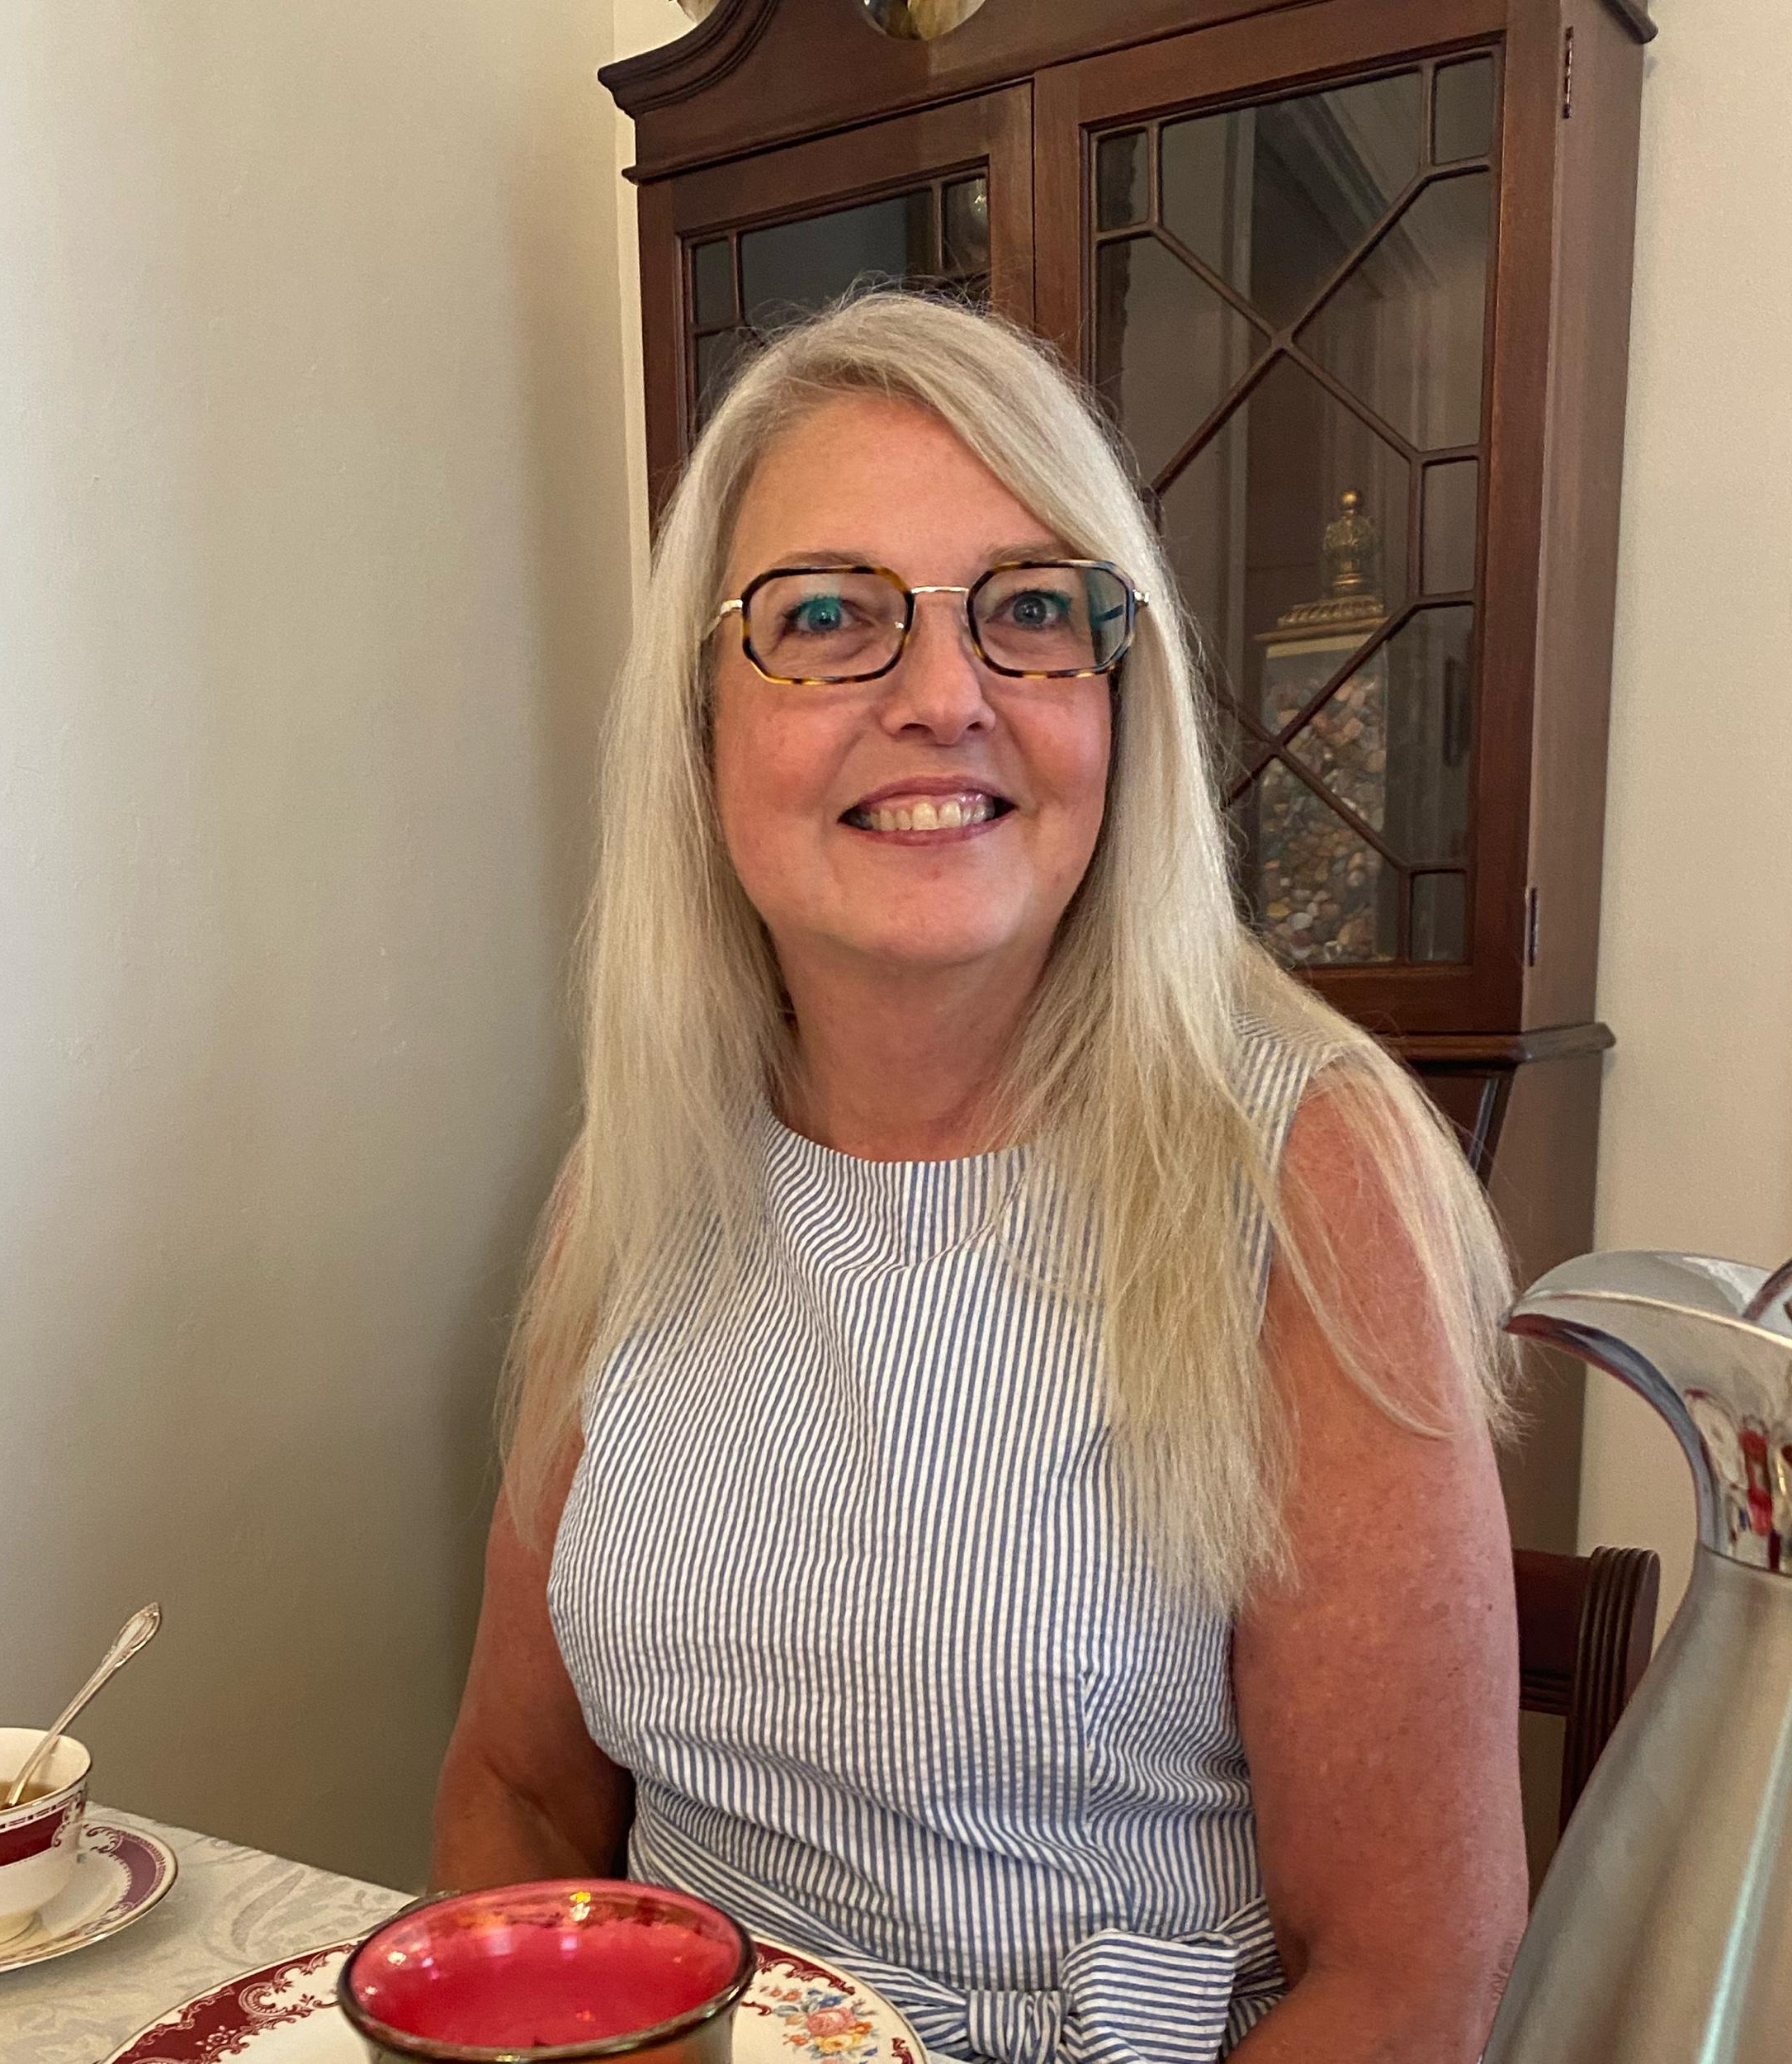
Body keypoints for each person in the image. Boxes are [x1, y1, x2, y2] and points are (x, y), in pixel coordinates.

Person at [432, 290, 1527, 2063]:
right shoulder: (629, 1182)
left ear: (1118, 699)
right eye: (824, 615)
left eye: (1027, 610)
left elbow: (1412, 1977)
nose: (944, 698)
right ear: (700, 729)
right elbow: (516, 1789)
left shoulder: (1310, 1179)